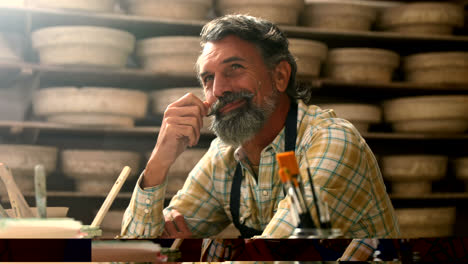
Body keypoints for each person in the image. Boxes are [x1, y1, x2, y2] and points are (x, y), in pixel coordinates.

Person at [121, 14, 399, 261]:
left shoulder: (330, 142)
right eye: (208, 78)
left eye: (235, 68)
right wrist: (159, 160)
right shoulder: (225, 158)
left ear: (279, 76)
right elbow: (135, 254)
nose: (218, 90)